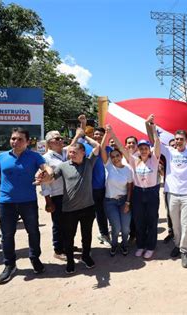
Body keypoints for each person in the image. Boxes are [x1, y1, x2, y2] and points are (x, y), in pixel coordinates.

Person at [0, 127, 53, 284]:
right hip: (6, 203)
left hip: (28, 202)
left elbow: (46, 168)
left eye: (20, 139)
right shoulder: (1, 158)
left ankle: (35, 259)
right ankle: (9, 264)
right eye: (13, 138)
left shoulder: (34, 156)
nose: (16, 141)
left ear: (27, 142)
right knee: (7, 235)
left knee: (33, 232)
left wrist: (48, 174)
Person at [111, 115, 161, 259]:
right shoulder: (133, 160)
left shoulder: (154, 160)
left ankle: (150, 247)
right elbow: (121, 147)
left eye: (146, 148)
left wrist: (153, 127)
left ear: (149, 150)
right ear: (138, 150)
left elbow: (157, 142)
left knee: (151, 220)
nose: (144, 150)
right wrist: (111, 133)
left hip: (151, 192)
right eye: (141, 148)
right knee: (139, 221)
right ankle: (141, 245)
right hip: (138, 193)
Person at [52, 128, 101, 274]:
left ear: (83, 153)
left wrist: (84, 136)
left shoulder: (89, 162)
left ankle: (86, 256)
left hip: (88, 208)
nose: (70, 154)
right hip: (69, 210)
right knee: (69, 236)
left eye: (73, 152)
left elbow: (97, 147)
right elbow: (51, 177)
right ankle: (70, 261)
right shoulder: (63, 166)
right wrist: (43, 177)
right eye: (69, 152)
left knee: (87, 234)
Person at [161, 128, 187, 268]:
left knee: (185, 224)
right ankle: (177, 245)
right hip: (172, 194)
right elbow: (154, 141)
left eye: (181, 139)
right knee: (175, 225)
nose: (178, 141)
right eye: (176, 139)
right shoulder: (169, 151)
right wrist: (150, 125)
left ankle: (184, 251)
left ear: (186, 141)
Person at [78, 114, 111, 246]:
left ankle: (104, 234)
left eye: (100, 135)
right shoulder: (85, 147)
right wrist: (83, 123)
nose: (97, 136)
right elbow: (80, 136)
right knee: (87, 216)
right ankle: (86, 243)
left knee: (102, 212)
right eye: (96, 134)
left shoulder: (108, 149)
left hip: (103, 187)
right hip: (87, 187)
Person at [100, 131, 133, 257]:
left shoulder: (127, 169)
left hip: (124, 200)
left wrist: (128, 203)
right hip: (110, 202)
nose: (115, 158)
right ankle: (114, 245)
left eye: (117, 156)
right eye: (112, 156)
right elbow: (102, 148)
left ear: (121, 156)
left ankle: (124, 245)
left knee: (125, 228)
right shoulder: (108, 165)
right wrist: (107, 134)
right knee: (116, 227)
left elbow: (130, 187)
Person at [40, 130, 67, 261]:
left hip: (70, 195)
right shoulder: (46, 158)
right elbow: (44, 183)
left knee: (69, 223)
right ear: (50, 143)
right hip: (57, 195)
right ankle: (58, 249)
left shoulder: (67, 154)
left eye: (61, 138)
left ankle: (67, 245)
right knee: (58, 224)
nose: (60, 140)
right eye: (57, 139)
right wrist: (48, 200)